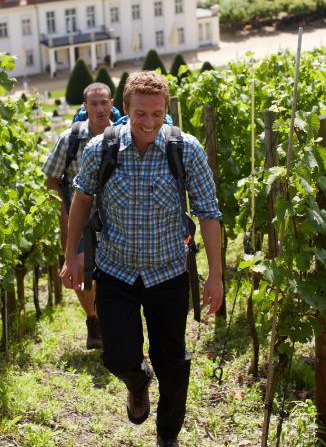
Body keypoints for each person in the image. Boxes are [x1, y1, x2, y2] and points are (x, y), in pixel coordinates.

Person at [60, 71, 224, 447]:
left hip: (168, 274)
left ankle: (167, 437)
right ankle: (136, 380)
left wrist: (215, 276)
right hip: (116, 272)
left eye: (155, 113)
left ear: (165, 109)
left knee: (173, 364)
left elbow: (209, 214)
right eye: (140, 114)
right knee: (116, 356)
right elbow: (81, 199)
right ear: (126, 110)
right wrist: (72, 255)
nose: (148, 122)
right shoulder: (101, 149)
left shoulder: (185, 149)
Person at [43, 82, 115, 349]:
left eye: (103, 102)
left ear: (111, 104)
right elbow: (51, 179)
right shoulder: (70, 139)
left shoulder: (122, 136)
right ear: (84, 107)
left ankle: (111, 319)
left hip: (114, 219)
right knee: (82, 273)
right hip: (80, 218)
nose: (99, 108)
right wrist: (63, 216)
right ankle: (94, 319)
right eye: (93, 103)